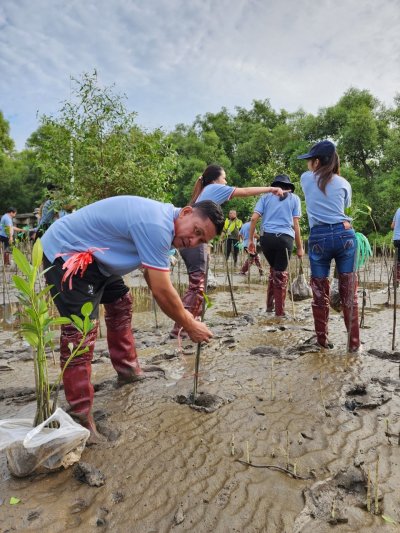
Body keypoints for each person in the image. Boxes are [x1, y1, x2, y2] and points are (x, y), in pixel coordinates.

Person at [41, 195, 224, 439]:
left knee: (121, 303)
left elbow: (151, 274)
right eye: (196, 231)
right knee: (80, 333)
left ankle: (128, 371)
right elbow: (160, 288)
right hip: (67, 253)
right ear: (186, 213)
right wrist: (190, 324)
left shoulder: (168, 228)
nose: (192, 241)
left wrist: (187, 319)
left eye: (201, 240)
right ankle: (80, 416)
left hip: (99, 260)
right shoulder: (157, 225)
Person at [170, 164, 284, 337]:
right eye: (224, 177)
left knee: (195, 285)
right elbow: (245, 192)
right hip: (195, 238)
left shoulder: (203, 192)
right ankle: (181, 328)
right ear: (215, 179)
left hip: (188, 237)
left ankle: (189, 324)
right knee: (197, 286)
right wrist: (271, 189)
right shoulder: (214, 188)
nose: (226, 181)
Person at [298, 140, 360, 352]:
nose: (308, 165)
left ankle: (322, 341)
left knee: (319, 291)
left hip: (319, 237)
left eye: (309, 160)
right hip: (345, 235)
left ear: (316, 162)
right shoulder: (344, 183)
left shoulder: (306, 179)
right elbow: (343, 209)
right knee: (349, 292)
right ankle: (354, 346)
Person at [248, 175, 304, 316]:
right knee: (280, 274)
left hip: (266, 239)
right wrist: (300, 247)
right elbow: (296, 225)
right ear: (289, 187)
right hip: (285, 239)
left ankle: (269, 307)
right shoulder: (295, 199)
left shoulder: (266, 197)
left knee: (274, 271)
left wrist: (250, 240)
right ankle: (280, 313)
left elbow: (254, 218)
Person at [391, 207, 400, 283]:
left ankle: (396, 278)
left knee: (397, 260)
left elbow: (392, 226)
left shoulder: (398, 210)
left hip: (396, 239)